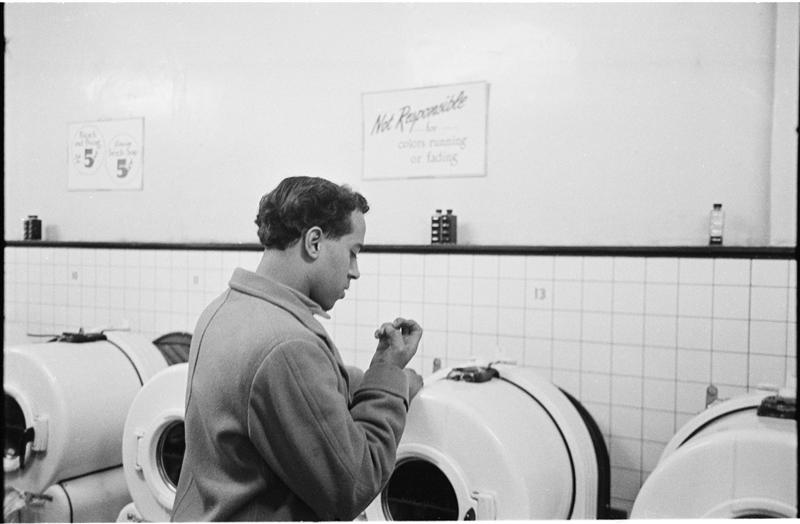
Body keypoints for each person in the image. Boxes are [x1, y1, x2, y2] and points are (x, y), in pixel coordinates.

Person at [171, 176, 424, 522]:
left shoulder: (224, 310)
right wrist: (389, 375)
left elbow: (301, 391)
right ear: (314, 242)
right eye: (352, 253)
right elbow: (354, 485)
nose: (355, 272)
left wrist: (381, 377)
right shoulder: (287, 345)